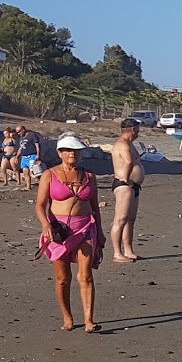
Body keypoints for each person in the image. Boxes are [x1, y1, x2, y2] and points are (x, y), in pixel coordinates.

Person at [35, 133, 104, 332]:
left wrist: (99, 231)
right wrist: (45, 226)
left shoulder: (89, 176)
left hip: (84, 228)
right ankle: (67, 317)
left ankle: (89, 321)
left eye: (76, 150)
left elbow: (94, 207)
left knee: (86, 275)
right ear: (60, 153)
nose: (72, 153)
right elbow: (40, 205)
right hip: (59, 231)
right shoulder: (49, 174)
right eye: (68, 150)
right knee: (63, 278)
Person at [109, 118, 146, 262]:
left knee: (130, 220)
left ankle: (128, 250)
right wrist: (125, 177)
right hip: (124, 185)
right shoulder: (122, 144)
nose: (139, 131)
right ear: (132, 129)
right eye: (137, 128)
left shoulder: (130, 144)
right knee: (120, 219)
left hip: (133, 186)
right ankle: (117, 253)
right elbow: (129, 161)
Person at [16, 125, 41, 190]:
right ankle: (28, 186)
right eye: (17, 132)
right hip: (24, 157)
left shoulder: (32, 135)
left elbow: (37, 145)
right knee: (25, 172)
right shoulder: (21, 139)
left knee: (34, 172)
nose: (18, 134)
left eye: (19, 132)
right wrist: (16, 157)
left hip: (32, 155)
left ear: (23, 130)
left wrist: (38, 155)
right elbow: (20, 148)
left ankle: (43, 183)